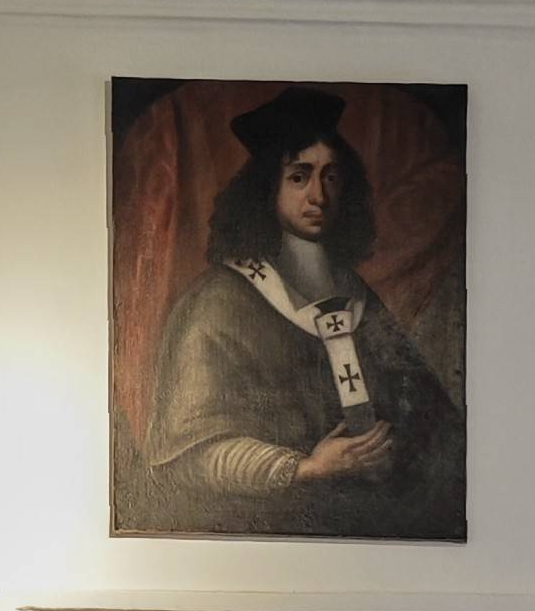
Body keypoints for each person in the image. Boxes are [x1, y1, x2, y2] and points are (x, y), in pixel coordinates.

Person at [133, 90, 464, 538]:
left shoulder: (355, 295)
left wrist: (388, 454)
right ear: (267, 188)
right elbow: (188, 456)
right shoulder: (216, 305)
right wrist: (307, 468)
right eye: (299, 177)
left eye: (331, 177)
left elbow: (431, 420)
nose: (318, 196)